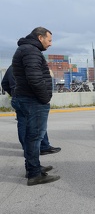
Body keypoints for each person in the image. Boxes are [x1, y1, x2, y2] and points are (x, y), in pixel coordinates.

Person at [11, 27, 60, 185]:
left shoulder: (25, 49)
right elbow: (34, 79)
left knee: (29, 136)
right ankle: (34, 174)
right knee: (34, 137)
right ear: (40, 38)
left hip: (25, 98)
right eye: (49, 40)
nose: (50, 44)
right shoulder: (31, 51)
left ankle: (33, 167)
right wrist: (45, 98)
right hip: (33, 100)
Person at [1, 65, 61, 156]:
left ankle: (28, 149)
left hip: (16, 99)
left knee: (22, 123)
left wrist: (13, 94)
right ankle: (43, 147)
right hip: (30, 98)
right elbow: (36, 83)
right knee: (39, 122)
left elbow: (4, 83)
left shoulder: (12, 67)